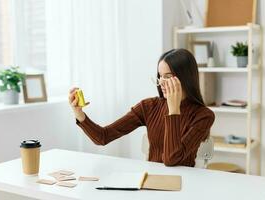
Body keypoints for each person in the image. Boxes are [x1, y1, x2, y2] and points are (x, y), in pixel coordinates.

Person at [69, 49, 215, 167]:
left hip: (185, 183)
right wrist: (79, 113)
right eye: (160, 76)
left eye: (168, 76)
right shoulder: (149, 107)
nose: (162, 82)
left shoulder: (204, 116)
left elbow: (171, 160)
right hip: (152, 182)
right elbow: (103, 137)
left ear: (186, 78)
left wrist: (173, 111)